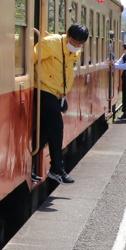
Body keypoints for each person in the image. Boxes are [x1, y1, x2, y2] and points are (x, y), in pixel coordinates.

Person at [33, 23, 87, 184]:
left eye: (80, 44)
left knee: (43, 134)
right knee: (57, 129)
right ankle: (56, 169)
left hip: (57, 93)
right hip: (44, 89)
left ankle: (28, 166)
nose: (77, 46)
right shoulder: (50, 43)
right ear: (67, 36)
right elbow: (30, 59)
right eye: (74, 42)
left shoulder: (75, 50)